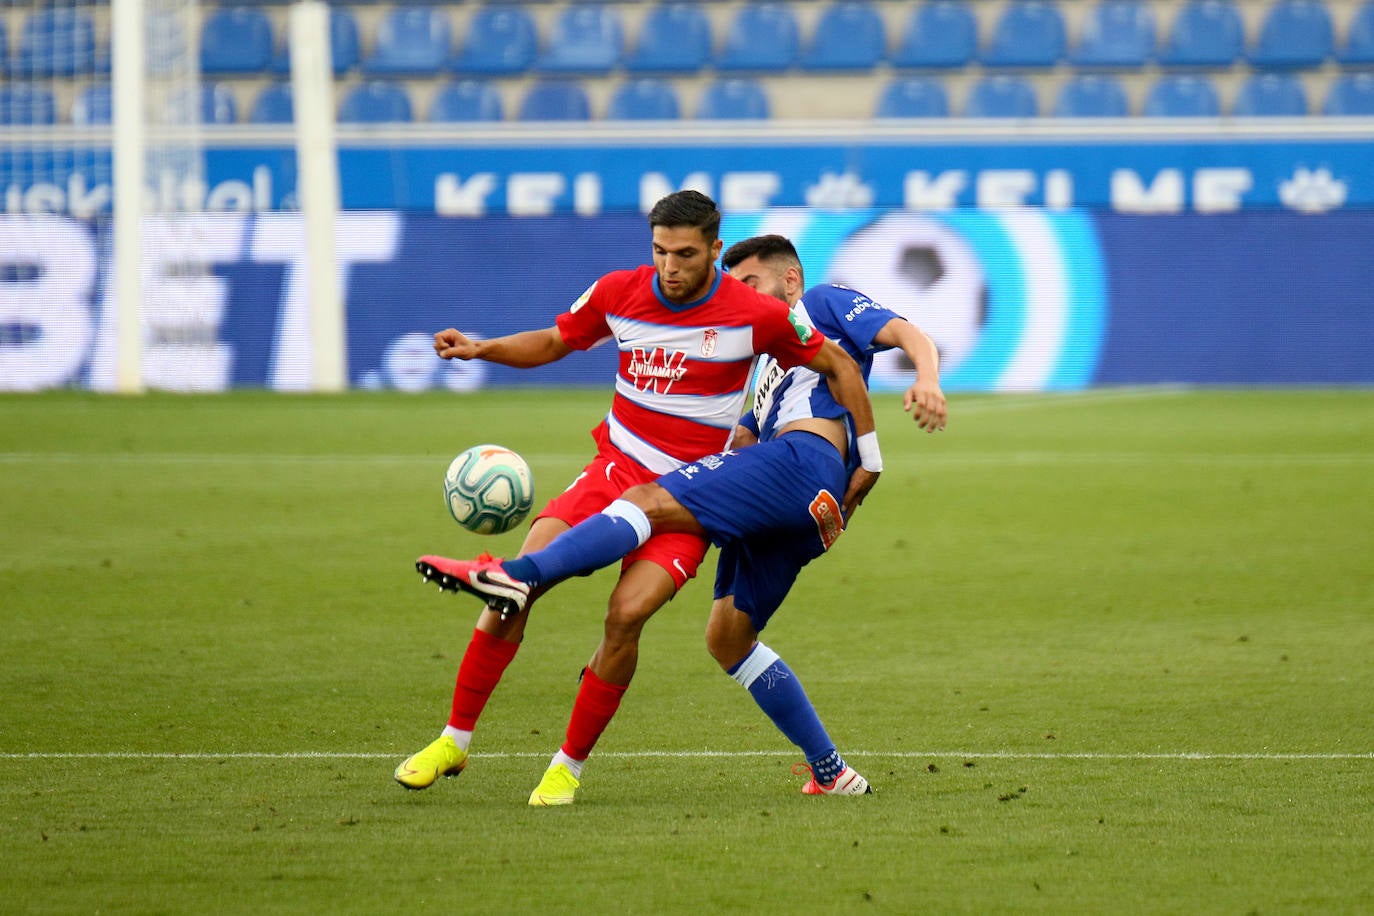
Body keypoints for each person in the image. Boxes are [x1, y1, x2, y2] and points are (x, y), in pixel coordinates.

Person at [419, 234, 946, 803]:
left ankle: (520, 574)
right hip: (807, 506)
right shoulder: (766, 365)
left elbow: (905, 335)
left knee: (649, 499)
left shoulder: (817, 301)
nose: (742, 294)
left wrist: (925, 382)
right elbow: (745, 435)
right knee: (728, 638)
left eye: (751, 283)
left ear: (788, 280)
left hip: (804, 464)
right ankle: (831, 770)